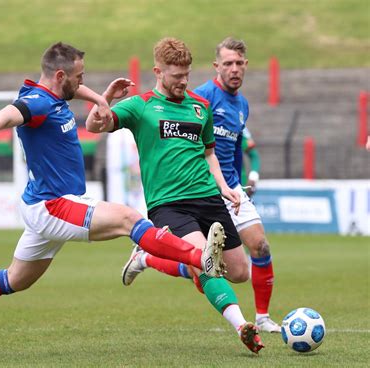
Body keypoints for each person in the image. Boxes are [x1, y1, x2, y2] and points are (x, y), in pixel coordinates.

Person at [0, 41, 221, 352]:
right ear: (61, 75)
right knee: (127, 219)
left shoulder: (54, 91)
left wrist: (100, 99)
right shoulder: (37, 103)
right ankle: (199, 258)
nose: (83, 81)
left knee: (15, 279)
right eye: (80, 76)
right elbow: (5, 116)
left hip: (47, 204)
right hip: (53, 204)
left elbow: (75, 90)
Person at [86, 38, 264, 354]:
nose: (183, 81)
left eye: (186, 74)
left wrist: (224, 188)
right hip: (168, 204)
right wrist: (106, 99)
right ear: (158, 71)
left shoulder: (200, 106)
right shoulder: (140, 106)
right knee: (207, 263)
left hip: (209, 197)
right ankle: (242, 325)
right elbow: (94, 125)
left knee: (239, 272)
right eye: (176, 75)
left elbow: (210, 154)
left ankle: (147, 257)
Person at [193, 37, 280, 332]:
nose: (234, 69)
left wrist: (241, 184)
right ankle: (153, 257)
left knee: (260, 246)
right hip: (204, 190)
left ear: (245, 65)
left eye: (238, 63)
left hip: (233, 189)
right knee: (217, 266)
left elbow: (236, 148)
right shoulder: (202, 97)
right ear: (216, 66)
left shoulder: (242, 104)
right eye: (227, 63)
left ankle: (264, 317)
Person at [240, 127, 261, 197]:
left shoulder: (239, 129)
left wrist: (253, 177)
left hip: (238, 184)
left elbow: (254, 156)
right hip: (211, 186)